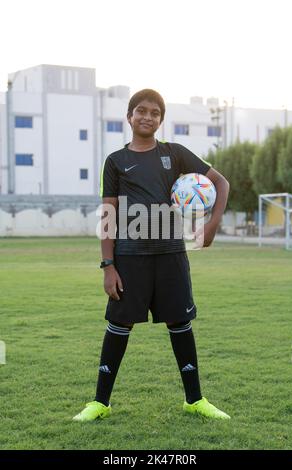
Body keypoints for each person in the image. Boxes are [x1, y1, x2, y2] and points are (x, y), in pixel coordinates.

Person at [73, 89, 230, 422]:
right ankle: (100, 402)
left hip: (171, 255)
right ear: (130, 116)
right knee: (119, 323)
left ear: (161, 120)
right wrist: (108, 265)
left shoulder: (175, 154)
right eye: (141, 111)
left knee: (180, 322)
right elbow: (108, 215)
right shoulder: (115, 161)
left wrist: (212, 224)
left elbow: (221, 183)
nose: (147, 117)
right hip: (130, 259)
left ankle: (195, 399)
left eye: (155, 112)